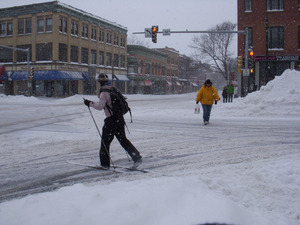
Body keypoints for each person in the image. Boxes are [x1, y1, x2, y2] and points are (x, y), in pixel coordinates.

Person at [83, 73, 142, 168]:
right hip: (119, 119)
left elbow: (100, 107)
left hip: (110, 120)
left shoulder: (104, 93)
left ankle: (105, 164)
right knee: (123, 139)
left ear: (99, 82)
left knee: (105, 142)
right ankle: (136, 156)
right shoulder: (113, 89)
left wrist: (89, 103)